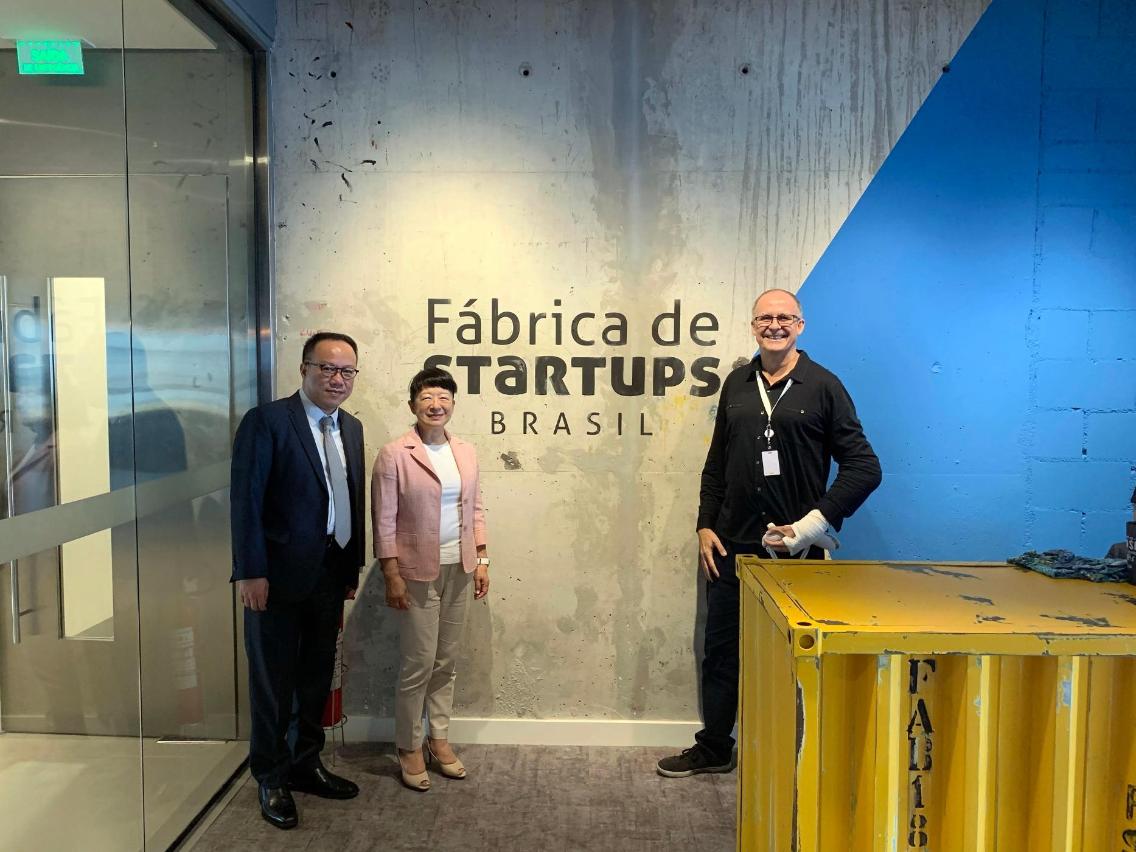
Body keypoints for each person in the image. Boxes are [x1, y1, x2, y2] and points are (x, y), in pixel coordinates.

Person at [657, 288, 881, 778]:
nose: (774, 325)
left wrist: (809, 527)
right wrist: (705, 524)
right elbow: (717, 464)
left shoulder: (824, 386)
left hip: (796, 554)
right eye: (765, 318)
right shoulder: (736, 384)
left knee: (794, 659)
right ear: (753, 325)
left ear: (800, 325)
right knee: (721, 653)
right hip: (732, 548)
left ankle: (795, 758)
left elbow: (865, 468)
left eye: (784, 317)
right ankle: (716, 747)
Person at [230, 332, 366, 829]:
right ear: (304, 369)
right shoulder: (267, 421)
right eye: (327, 368)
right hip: (276, 578)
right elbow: (246, 500)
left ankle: (306, 763)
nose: (337, 378)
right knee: (273, 682)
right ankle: (270, 776)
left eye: (347, 371)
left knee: (315, 678)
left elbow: (352, 498)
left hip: (330, 574)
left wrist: (351, 568)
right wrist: (251, 571)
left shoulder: (351, 427)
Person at [373, 366, 489, 792]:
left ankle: (438, 739)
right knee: (418, 663)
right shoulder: (394, 454)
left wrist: (482, 558)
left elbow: (476, 508)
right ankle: (408, 745)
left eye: (443, 397)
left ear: (453, 403)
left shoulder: (466, 451)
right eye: (426, 398)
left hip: (460, 568)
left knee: (446, 662)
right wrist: (391, 573)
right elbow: (383, 520)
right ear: (412, 405)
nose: (435, 405)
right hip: (416, 573)